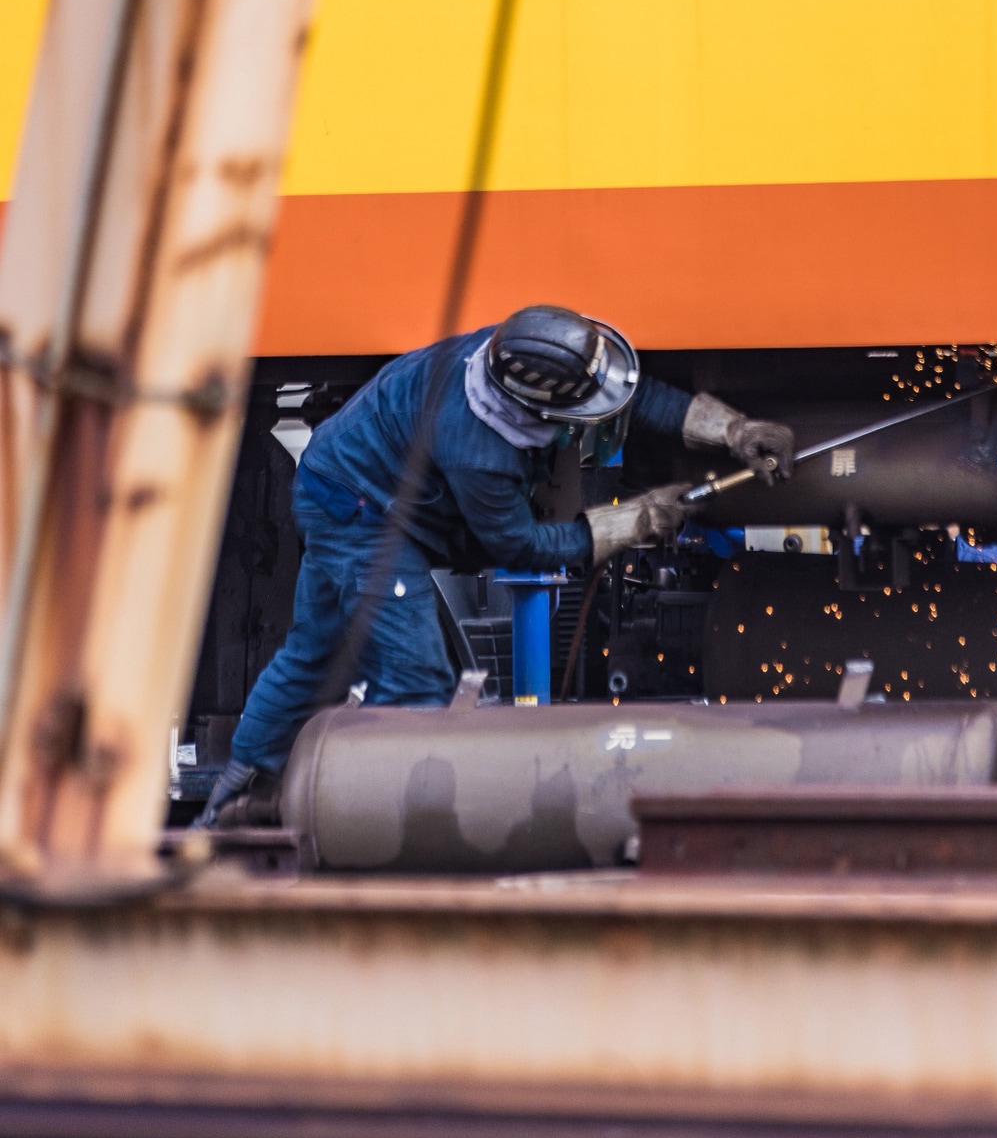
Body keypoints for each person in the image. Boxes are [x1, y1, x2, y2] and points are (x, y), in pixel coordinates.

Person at [200, 304, 795, 824]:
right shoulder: (481, 451)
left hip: (345, 475)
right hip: (361, 512)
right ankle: (387, 829)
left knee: (313, 651)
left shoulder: (514, 355)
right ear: (537, 412)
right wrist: (632, 522)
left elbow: (632, 395)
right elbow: (521, 547)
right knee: (417, 683)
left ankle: (235, 789)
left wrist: (733, 430)